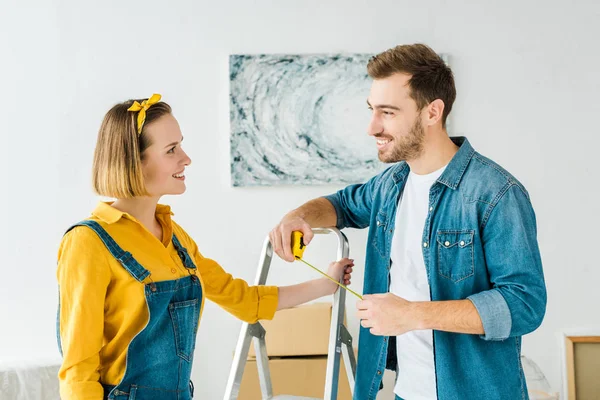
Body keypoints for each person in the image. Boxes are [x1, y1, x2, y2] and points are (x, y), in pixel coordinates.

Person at [269, 44, 547, 400]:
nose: (372, 127)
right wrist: (299, 216)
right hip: (406, 392)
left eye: (387, 112)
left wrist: (413, 314)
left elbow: (524, 305)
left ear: (432, 112)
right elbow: (340, 205)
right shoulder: (390, 185)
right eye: (372, 110)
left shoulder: (495, 192)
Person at [56, 94, 354, 400]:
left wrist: (327, 283)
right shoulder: (88, 242)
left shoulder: (175, 238)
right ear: (134, 160)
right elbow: (78, 368)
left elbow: (245, 301)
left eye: (180, 146)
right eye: (171, 150)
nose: (186, 159)